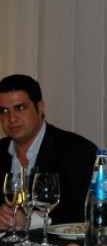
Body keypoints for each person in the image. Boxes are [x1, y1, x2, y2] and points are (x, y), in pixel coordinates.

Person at [0, 74, 97, 228]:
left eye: (20, 108)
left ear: (40, 107)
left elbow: (84, 211)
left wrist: (29, 220)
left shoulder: (78, 151)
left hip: (52, 242)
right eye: (4, 111)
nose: (11, 118)